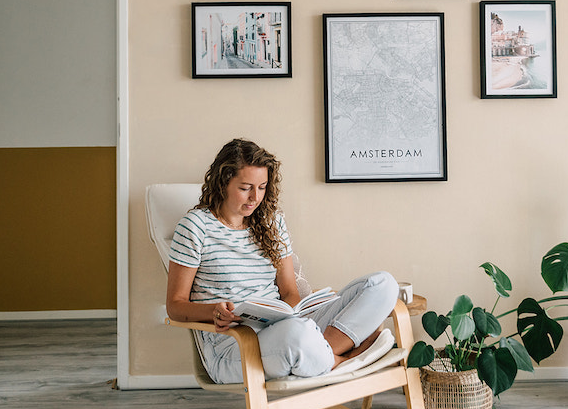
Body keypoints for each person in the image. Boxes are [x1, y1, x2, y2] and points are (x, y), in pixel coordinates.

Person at [166, 138, 399, 383]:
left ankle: (323, 353)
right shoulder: (195, 226)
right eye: (245, 188)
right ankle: (343, 358)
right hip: (233, 345)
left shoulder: (270, 222)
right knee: (298, 334)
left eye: (262, 187)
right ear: (223, 183)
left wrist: (290, 311)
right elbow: (175, 306)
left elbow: (289, 292)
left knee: (383, 285)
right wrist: (213, 311)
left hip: (283, 328)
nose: (254, 198)